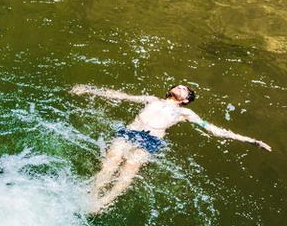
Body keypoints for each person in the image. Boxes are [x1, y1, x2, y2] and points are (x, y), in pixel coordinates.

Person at [70, 84, 272, 214]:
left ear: (185, 100)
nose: (181, 87)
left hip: (150, 141)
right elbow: (122, 96)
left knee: (128, 171)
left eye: (185, 90)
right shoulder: (152, 99)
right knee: (111, 160)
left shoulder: (185, 113)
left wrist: (252, 141)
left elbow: (215, 130)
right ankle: (93, 196)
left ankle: (104, 202)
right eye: (180, 86)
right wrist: (89, 90)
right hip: (130, 132)